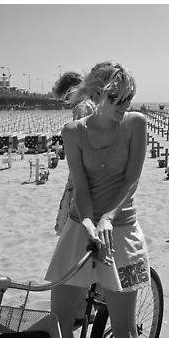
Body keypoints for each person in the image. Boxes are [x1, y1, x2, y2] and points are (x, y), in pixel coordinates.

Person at [45, 61, 149, 338]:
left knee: (125, 332)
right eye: (114, 99)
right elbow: (81, 184)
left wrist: (107, 219)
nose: (122, 106)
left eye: (127, 98)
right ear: (96, 94)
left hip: (122, 229)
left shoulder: (136, 124)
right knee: (60, 319)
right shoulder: (74, 132)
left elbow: (132, 179)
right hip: (82, 226)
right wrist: (90, 221)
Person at [53, 71, 96, 235]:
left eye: (66, 97)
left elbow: (83, 141)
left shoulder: (81, 108)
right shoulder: (92, 103)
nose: (67, 102)